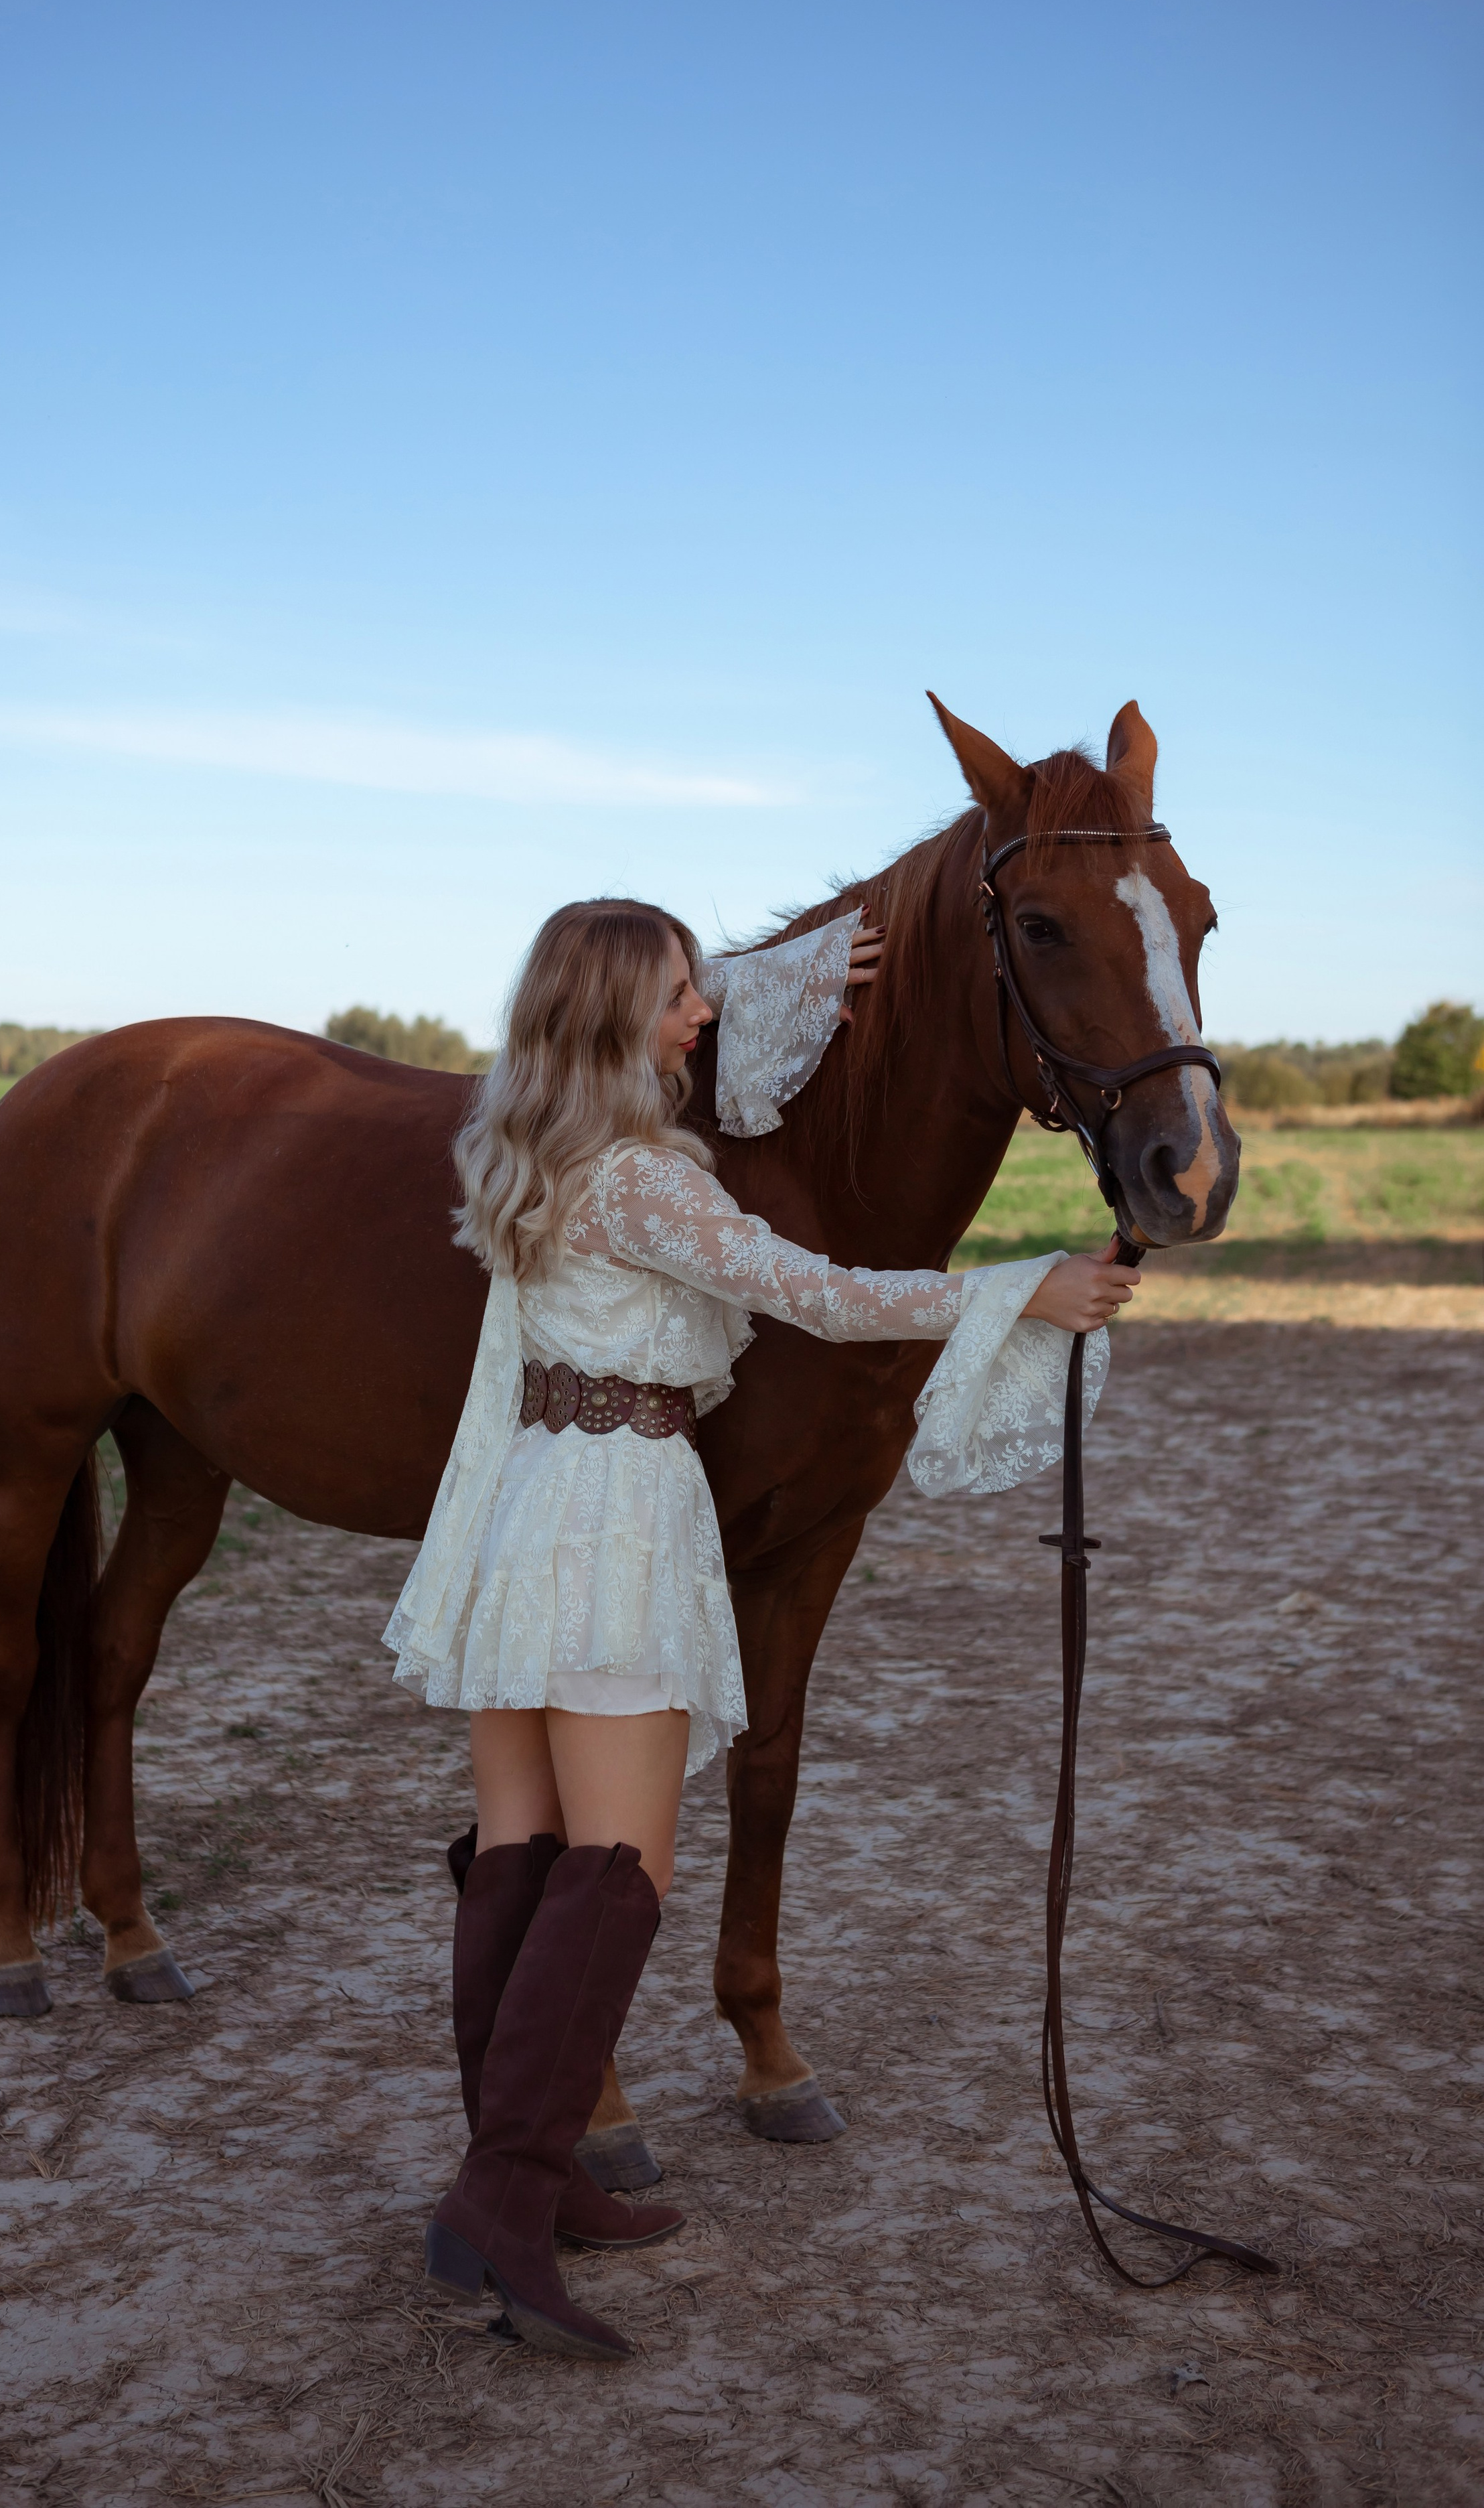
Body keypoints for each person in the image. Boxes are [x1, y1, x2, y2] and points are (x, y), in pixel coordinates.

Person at [384, 899, 1139, 2361]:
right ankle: (503, 2201)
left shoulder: (522, 1155)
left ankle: (516, 2182)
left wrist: (778, 973)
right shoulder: (647, 1183)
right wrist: (1017, 1290)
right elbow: (823, 1296)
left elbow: (678, 1030)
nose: (702, 1017)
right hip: (612, 1516)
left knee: (521, 1864)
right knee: (622, 1868)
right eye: (679, 996)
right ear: (618, 1020)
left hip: (531, 1502)